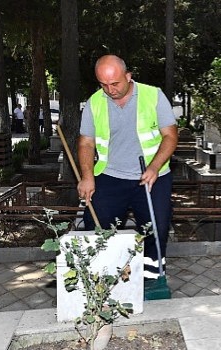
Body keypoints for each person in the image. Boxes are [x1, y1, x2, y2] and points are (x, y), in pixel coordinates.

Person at [78, 54, 178, 282]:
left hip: (153, 176)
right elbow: (86, 142)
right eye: (104, 85)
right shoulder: (94, 103)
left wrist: (154, 167)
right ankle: (103, 278)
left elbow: (170, 136)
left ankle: (152, 278)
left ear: (128, 76)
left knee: (156, 230)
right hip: (110, 176)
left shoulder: (153, 96)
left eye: (115, 84)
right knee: (96, 227)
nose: (110, 90)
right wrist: (87, 177)